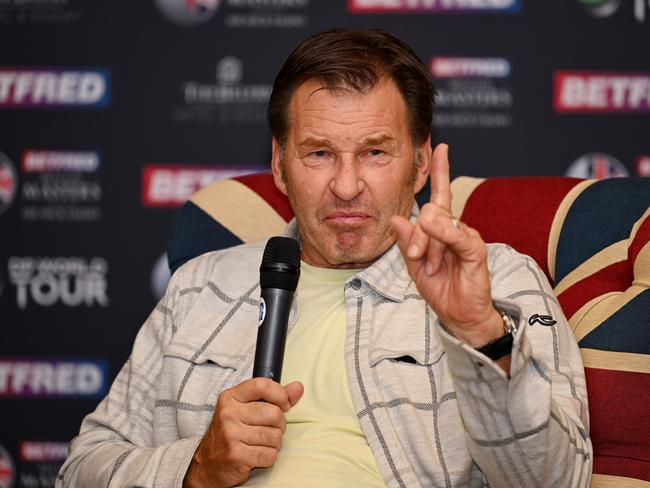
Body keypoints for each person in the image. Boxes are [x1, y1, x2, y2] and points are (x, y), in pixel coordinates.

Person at [57, 29, 592, 487]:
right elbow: (80, 469)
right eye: (319, 153)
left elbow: (555, 479)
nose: (345, 185)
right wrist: (195, 467)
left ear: (422, 163)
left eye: (374, 152)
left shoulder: (497, 279)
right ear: (280, 164)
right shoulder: (202, 285)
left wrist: (480, 333)